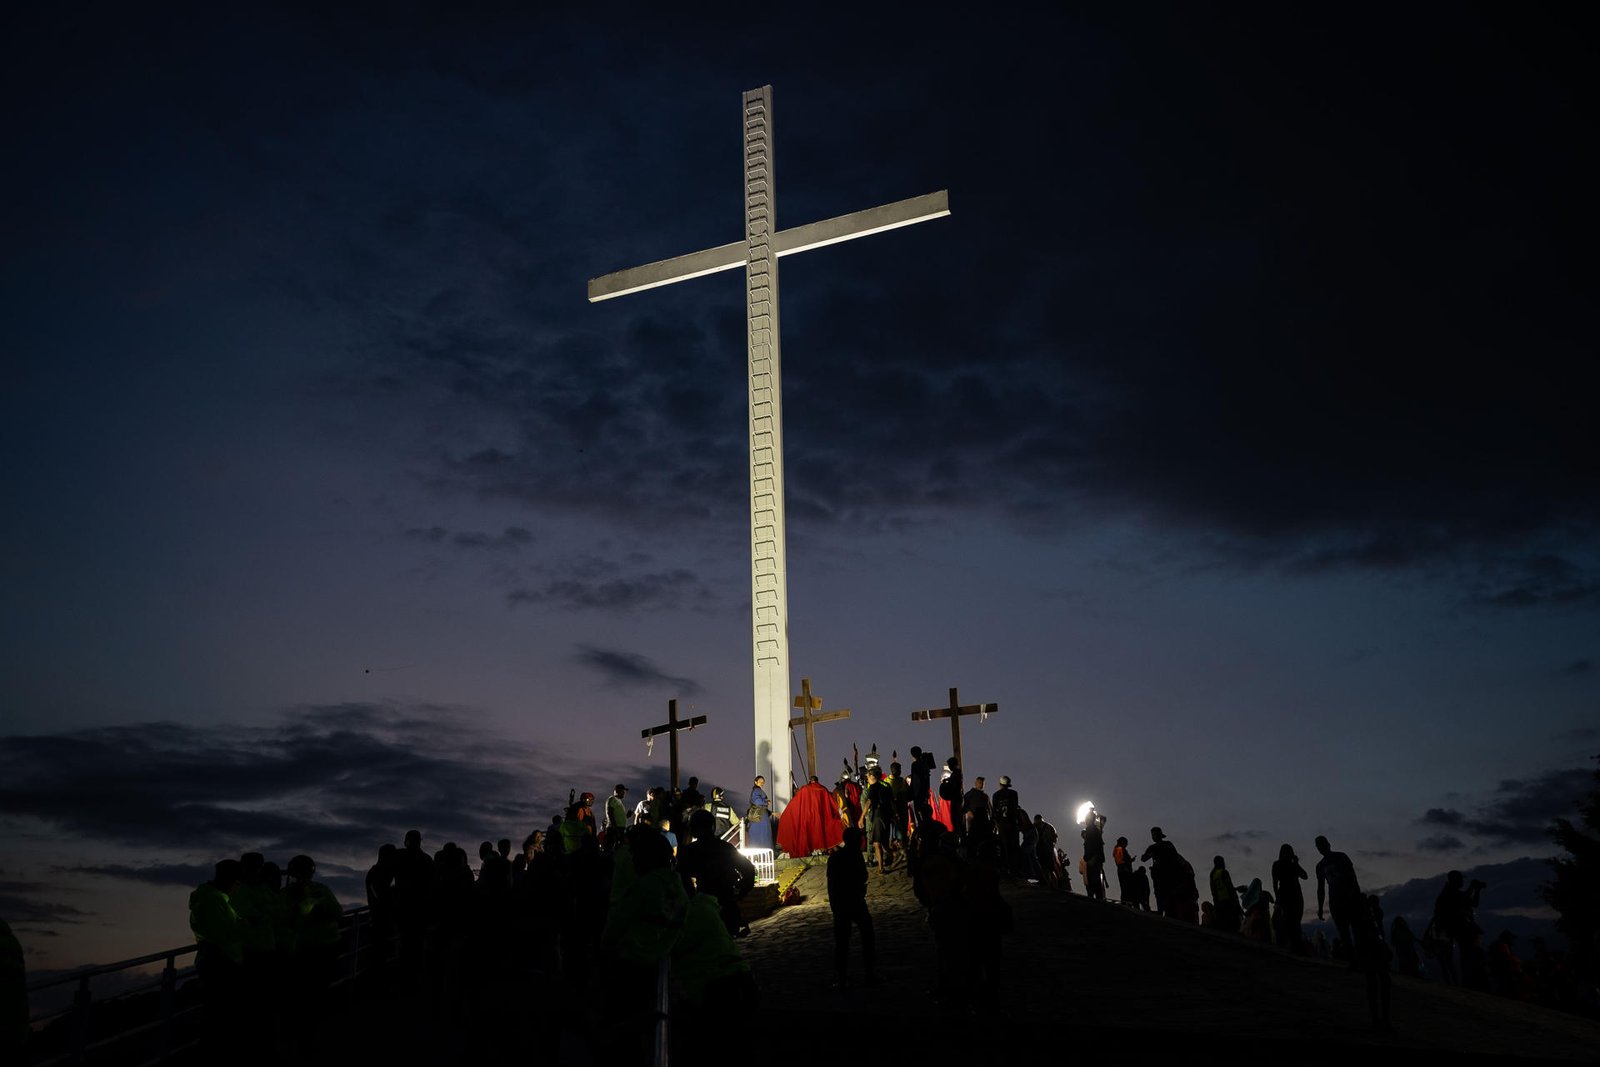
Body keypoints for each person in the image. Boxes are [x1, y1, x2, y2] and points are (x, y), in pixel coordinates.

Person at [678, 809, 757, 937]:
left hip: (703, 909)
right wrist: (740, 892)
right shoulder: (725, 848)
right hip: (726, 905)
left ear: (693, 829)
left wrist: (691, 900)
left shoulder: (690, 851)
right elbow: (748, 869)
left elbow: (680, 878)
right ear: (712, 827)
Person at [827, 827, 876, 988]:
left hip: (841, 903)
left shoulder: (835, 858)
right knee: (867, 937)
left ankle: (841, 978)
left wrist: (834, 905)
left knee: (842, 943)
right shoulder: (855, 856)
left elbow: (831, 884)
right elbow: (863, 876)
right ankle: (870, 973)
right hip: (855, 901)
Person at [777, 775, 844, 857]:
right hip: (820, 817)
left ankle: (809, 851)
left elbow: (795, 803)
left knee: (807, 834)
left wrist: (785, 815)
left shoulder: (804, 789)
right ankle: (821, 850)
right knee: (819, 834)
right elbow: (831, 803)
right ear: (817, 781)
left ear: (810, 781)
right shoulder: (823, 789)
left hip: (807, 816)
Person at [1271, 843, 1308, 951]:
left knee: (1294, 920)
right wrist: (1278, 898)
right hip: (1289, 895)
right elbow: (1275, 883)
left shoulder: (1289, 865)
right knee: (1292, 921)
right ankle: (1293, 945)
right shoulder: (1279, 865)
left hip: (1293, 895)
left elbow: (1305, 876)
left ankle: (1294, 945)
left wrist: (1296, 863)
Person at [863, 767, 896, 869]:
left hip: (877, 816)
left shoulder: (873, 787)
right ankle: (892, 855)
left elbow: (868, 801)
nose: (867, 778)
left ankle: (881, 867)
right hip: (887, 816)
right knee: (884, 842)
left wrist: (862, 816)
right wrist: (895, 815)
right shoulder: (886, 785)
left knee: (877, 843)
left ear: (872, 776)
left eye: (868, 776)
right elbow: (892, 801)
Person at [992, 775, 1021, 873]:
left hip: (1002, 825)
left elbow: (994, 812)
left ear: (1000, 784)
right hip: (1012, 824)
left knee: (1004, 847)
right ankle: (1014, 869)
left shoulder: (996, 795)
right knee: (1014, 847)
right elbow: (1015, 808)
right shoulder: (1013, 794)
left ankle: (1005, 869)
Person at [1081, 807, 1108, 900]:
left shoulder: (1091, 830)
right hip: (1094, 859)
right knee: (1096, 884)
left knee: (1094, 883)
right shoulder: (1094, 829)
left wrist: (1092, 858)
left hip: (1093, 860)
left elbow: (1093, 845)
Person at [1210, 856, 1242, 933]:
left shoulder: (1212, 874)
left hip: (1219, 902)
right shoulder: (1223, 872)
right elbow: (1229, 886)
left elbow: (1213, 890)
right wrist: (1235, 897)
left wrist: (1216, 901)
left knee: (1223, 925)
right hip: (1228, 901)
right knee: (1233, 924)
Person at [745, 775, 774, 850]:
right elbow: (757, 801)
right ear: (755, 782)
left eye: (763, 782)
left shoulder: (757, 790)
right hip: (760, 818)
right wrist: (766, 802)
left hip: (759, 817)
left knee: (758, 837)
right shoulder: (757, 790)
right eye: (760, 781)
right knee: (763, 836)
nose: (762, 783)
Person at [604, 783, 630, 850]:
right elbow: (610, 812)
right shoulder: (612, 799)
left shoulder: (619, 801)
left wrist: (627, 816)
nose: (624, 793)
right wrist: (614, 827)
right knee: (612, 848)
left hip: (618, 828)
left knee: (618, 848)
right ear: (616, 791)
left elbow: (617, 815)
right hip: (614, 828)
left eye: (624, 791)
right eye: (622, 791)